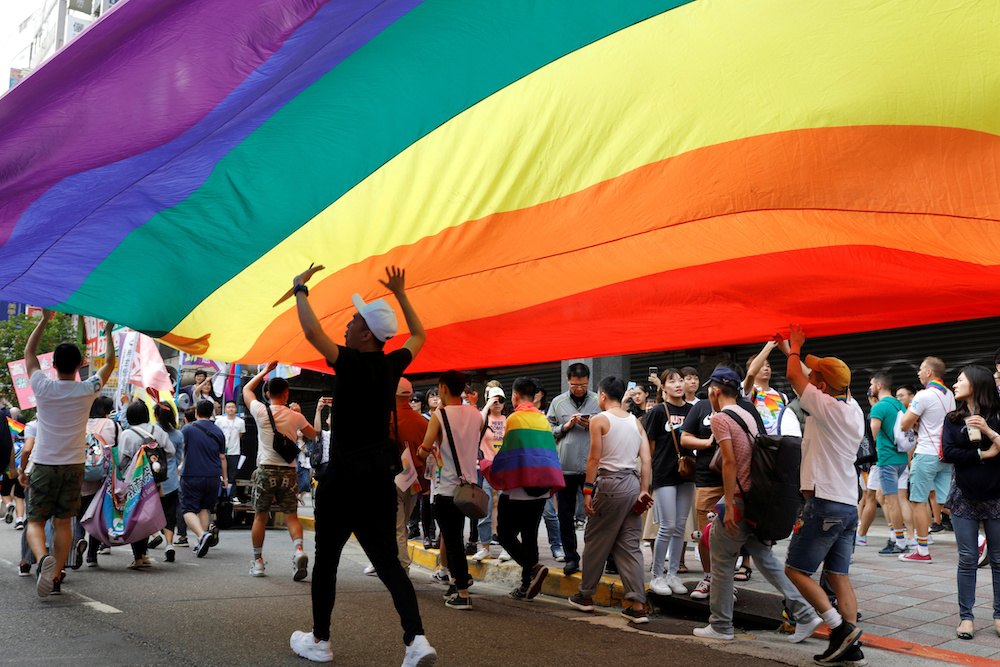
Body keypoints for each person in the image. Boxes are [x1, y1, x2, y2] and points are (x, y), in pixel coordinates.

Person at [291, 265, 435, 666]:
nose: (346, 328)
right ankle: (416, 640)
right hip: (377, 481)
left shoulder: (350, 362)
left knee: (328, 563)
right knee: (389, 563)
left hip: (342, 482)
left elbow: (311, 333)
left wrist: (300, 289)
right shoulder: (390, 367)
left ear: (366, 334)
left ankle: (321, 641)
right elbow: (420, 336)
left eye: (353, 322)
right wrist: (402, 294)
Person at [692, 367, 822, 644]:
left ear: (715, 391)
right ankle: (806, 613)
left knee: (722, 561)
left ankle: (721, 625)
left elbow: (729, 463)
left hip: (738, 500)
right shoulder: (748, 414)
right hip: (756, 498)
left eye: (709, 391)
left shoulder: (720, 419)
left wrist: (728, 503)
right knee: (765, 559)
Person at [777, 326, 866, 666]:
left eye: (814, 376)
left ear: (822, 385)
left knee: (795, 570)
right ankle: (850, 645)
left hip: (824, 501)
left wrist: (796, 346)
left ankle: (838, 629)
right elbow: (799, 370)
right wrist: (789, 349)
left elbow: (792, 374)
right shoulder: (851, 406)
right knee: (839, 576)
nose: (808, 377)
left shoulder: (825, 406)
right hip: (846, 503)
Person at [17, 311, 115, 596]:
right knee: (63, 523)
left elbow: (29, 353)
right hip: (75, 466)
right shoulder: (87, 389)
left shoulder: (43, 386)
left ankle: (43, 558)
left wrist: (44, 320)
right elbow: (109, 363)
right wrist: (107, 333)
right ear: (80, 365)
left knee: (35, 521)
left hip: (45, 464)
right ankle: (57, 572)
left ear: (54, 364)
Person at [567, 376, 652, 623]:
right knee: (629, 546)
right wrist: (644, 490)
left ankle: (586, 596)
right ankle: (637, 605)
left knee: (596, 540)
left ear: (602, 396)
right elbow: (646, 459)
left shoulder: (599, 420)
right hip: (633, 484)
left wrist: (586, 492)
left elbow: (593, 459)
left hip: (609, 484)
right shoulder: (635, 422)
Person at [485, 377, 564, 600]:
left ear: (516, 396)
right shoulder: (543, 420)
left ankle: (533, 567)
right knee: (529, 537)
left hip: (518, 490)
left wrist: (488, 466)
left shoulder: (515, 418)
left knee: (504, 535)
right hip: (540, 490)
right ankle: (525, 587)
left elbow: (508, 455)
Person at [942, 365, 1000, 640]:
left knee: (999, 559)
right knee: (968, 558)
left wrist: (988, 430)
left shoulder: (997, 415)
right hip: (963, 494)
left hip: (997, 495)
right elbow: (949, 452)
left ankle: (999, 615)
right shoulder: (953, 418)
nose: (954, 384)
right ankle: (966, 618)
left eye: (959, 380)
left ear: (976, 384)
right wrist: (984, 455)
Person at [242, 364, 316, 579]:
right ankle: (299, 551)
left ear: (267, 394)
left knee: (260, 517)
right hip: (289, 472)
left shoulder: (259, 410)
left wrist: (264, 371)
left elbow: (246, 390)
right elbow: (312, 434)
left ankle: (257, 563)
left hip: (266, 470)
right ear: (286, 394)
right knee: (292, 517)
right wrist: (299, 414)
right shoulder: (296, 416)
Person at [416, 370, 481, 610]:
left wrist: (422, 452)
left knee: (452, 539)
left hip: (446, 488)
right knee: (457, 536)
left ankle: (463, 591)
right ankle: (456, 582)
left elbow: (424, 450)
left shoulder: (439, 415)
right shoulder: (476, 414)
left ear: (443, 388)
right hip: (470, 487)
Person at [900, 357, 956, 563]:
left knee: (918, 501)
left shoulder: (923, 395)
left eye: (921, 370)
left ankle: (922, 550)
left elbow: (905, 425)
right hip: (945, 454)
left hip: (925, 453)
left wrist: (914, 421)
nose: (918, 373)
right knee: (946, 502)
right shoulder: (949, 394)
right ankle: (978, 540)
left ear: (930, 373)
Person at [547, 363, 601, 575]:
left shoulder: (598, 401)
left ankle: (600, 557)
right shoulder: (558, 402)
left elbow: (611, 429)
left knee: (597, 515)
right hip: (566, 468)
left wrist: (592, 425)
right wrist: (565, 427)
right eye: (575, 385)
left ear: (589, 381)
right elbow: (548, 430)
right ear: (568, 381)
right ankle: (571, 557)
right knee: (565, 516)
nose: (579, 388)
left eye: (583, 384)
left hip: (592, 467)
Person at [647, 369, 693, 596]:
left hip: (687, 474)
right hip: (664, 474)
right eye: (671, 381)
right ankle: (657, 576)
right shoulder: (657, 411)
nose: (678, 384)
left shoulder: (694, 410)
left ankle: (673, 574)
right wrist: (648, 478)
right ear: (662, 387)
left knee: (681, 527)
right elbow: (650, 448)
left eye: (680, 380)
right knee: (668, 525)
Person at [118, 401, 175, 569]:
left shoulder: (127, 434)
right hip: (155, 481)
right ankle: (143, 555)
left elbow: (121, 461)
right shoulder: (157, 430)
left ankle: (139, 558)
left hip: (135, 482)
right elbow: (170, 451)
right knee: (148, 515)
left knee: (135, 517)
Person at [868, 372, 911, 556]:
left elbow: (873, 435)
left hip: (887, 459)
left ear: (878, 386)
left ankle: (900, 543)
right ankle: (897, 538)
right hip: (901, 459)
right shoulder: (898, 403)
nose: (869, 388)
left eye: (871, 384)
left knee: (891, 502)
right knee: (891, 499)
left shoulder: (879, 408)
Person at [155, 403, 184, 563]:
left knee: (149, 512)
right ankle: (169, 544)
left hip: (153, 480)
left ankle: (148, 542)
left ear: (156, 415)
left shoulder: (151, 430)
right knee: (170, 513)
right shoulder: (178, 434)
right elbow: (178, 456)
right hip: (171, 479)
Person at [217, 400, 246, 492]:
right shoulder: (219, 421)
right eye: (229, 407)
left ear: (236, 409)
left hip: (234, 451)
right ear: (225, 409)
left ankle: (231, 495)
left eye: (233, 407)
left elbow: (240, 435)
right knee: (220, 472)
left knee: (232, 473)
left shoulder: (240, 422)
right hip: (221, 451)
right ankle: (219, 494)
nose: (231, 409)